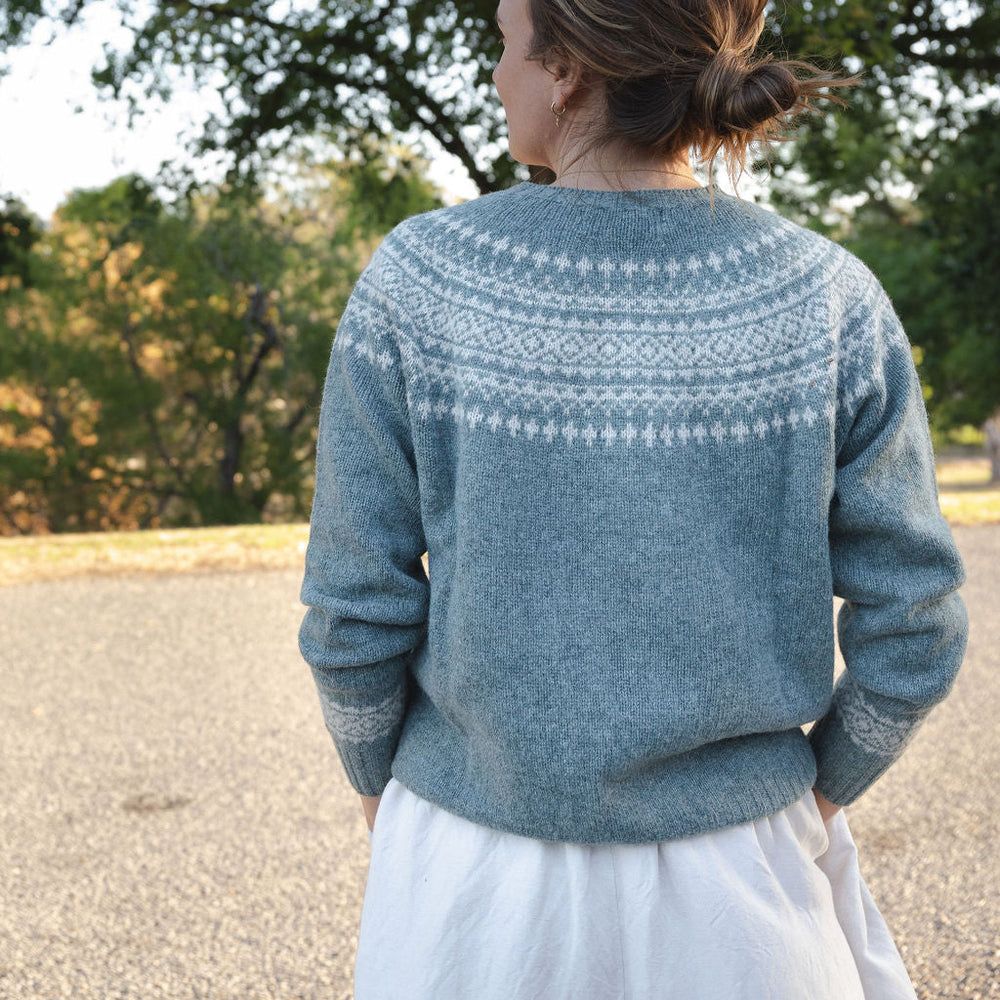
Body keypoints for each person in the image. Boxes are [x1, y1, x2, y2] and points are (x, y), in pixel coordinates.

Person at [298, 0, 969, 995]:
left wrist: (376, 790)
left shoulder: (417, 284)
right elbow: (917, 624)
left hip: (470, 878)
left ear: (565, 67)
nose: (493, 74)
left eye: (500, 41)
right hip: (744, 885)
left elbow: (356, 609)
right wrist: (815, 797)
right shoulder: (824, 296)